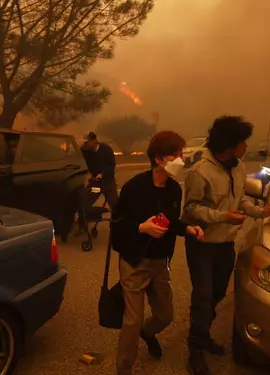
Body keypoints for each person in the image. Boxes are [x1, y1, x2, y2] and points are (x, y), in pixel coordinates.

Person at [181, 116, 270, 375]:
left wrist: (262, 211)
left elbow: (240, 201)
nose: (246, 147)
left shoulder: (238, 167)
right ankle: (195, 350)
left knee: (216, 294)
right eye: (243, 142)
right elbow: (191, 210)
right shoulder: (199, 171)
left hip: (226, 244)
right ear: (229, 144)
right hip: (202, 244)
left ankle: (202, 335)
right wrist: (222, 217)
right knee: (203, 297)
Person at [111, 131, 204, 375]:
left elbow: (172, 222)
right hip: (134, 261)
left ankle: (149, 331)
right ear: (160, 159)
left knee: (165, 315)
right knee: (132, 320)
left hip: (160, 261)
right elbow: (117, 226)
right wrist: (140, 227)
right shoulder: (134, 187)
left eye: (181, 154)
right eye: (176, 155)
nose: (181, 160)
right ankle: (124, 368)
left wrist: (189, 229)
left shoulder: (174, 189)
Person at [78, 131, 119, 232]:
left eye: (87, 142)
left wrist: (103, 174)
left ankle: (117, 227)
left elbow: (111, 165)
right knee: (84, 201)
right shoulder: (85, 151)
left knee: (115, 204)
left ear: (94, 141)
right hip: (95, 181)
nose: (85, 144)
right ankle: (82, 226)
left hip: (107, 180)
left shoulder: (106, 149)